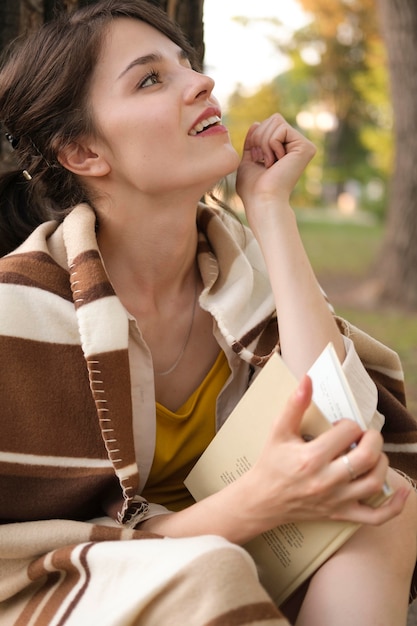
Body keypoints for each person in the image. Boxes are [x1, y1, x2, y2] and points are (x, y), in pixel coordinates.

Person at [0, 1, 416, 624]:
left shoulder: (243, 269)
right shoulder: (17, 314)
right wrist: (251, 504)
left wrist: (270, 210)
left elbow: (342, 425)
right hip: (80, 587)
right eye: (150, 79)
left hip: (229, 551)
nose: (202, 83)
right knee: (207, 574)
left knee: (386, 505)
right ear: (84, 153)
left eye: (187, 64)